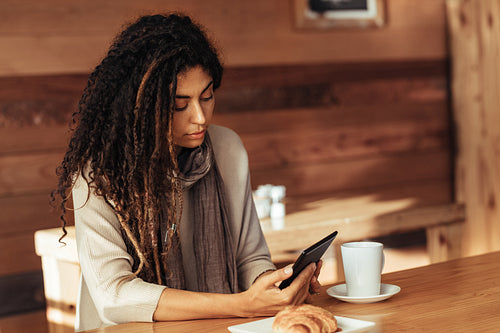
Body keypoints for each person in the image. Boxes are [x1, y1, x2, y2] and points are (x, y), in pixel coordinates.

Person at [53, 13, 322, 332]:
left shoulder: (226, 148)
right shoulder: (98, 172)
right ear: (141, 107)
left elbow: (250, 258)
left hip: (222, 326)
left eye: (207, 97)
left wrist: (274, 286)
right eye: (179, 105)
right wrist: (240, 304)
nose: (200, 117)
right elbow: (114, 295)